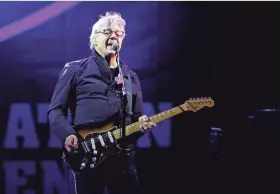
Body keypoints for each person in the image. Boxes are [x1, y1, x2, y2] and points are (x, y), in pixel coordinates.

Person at [47, 11, 156, 194]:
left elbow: (136, 119)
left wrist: (141, 125)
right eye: (107, 32)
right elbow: (56, 110)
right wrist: (67, 135)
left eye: (119, 34)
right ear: (94, 38)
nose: (114, 36)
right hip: (88, 154)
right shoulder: (76, 70)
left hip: (124, 160)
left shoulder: (130, 77)